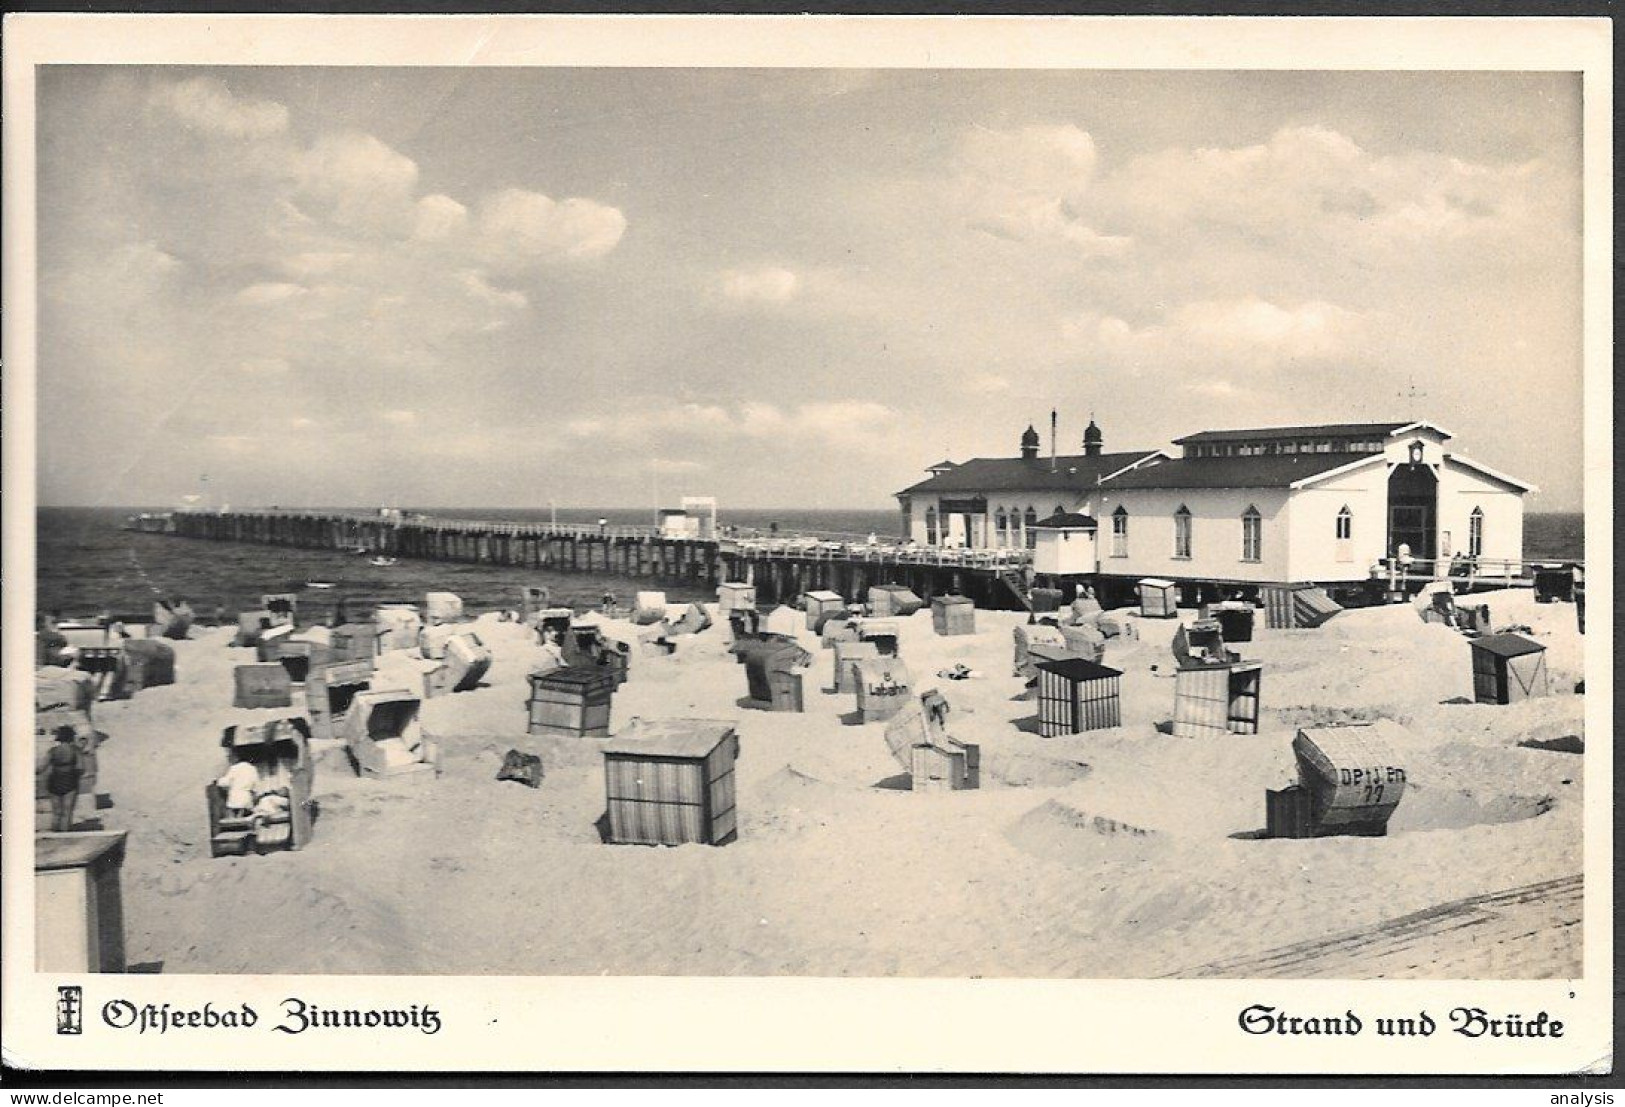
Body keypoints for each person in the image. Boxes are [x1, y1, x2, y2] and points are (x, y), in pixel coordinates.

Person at [41, 725, 85, 832]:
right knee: (67, 812)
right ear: (71, 737)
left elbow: (41, 767)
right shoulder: (75, 751)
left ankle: (54, 836)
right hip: (70, 781)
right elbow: (81, 768)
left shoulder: (52, 751)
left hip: (54, 781)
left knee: (56, 812)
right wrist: (75, 775)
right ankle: (65, 835)